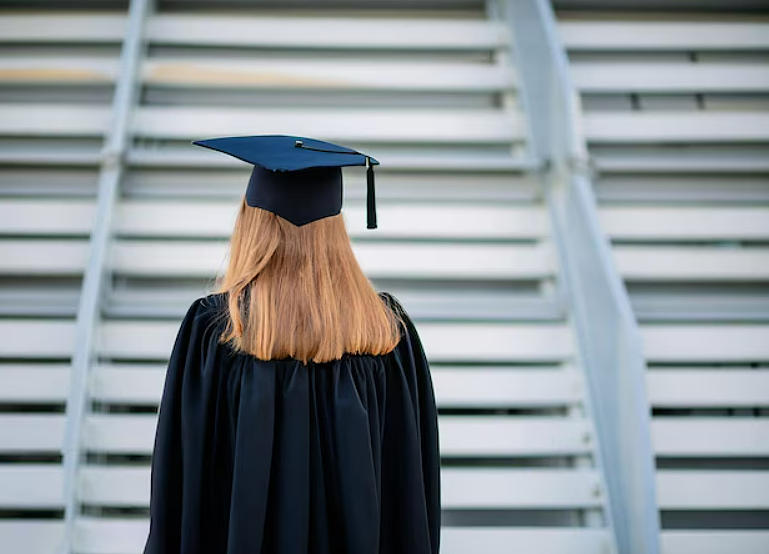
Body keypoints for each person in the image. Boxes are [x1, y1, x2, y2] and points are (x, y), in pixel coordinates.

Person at [142, 135, 441, 554]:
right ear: (337, 227)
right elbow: (412, 491)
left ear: (250, 222)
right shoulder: (387, 335)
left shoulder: (215, 332)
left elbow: (179, 485)